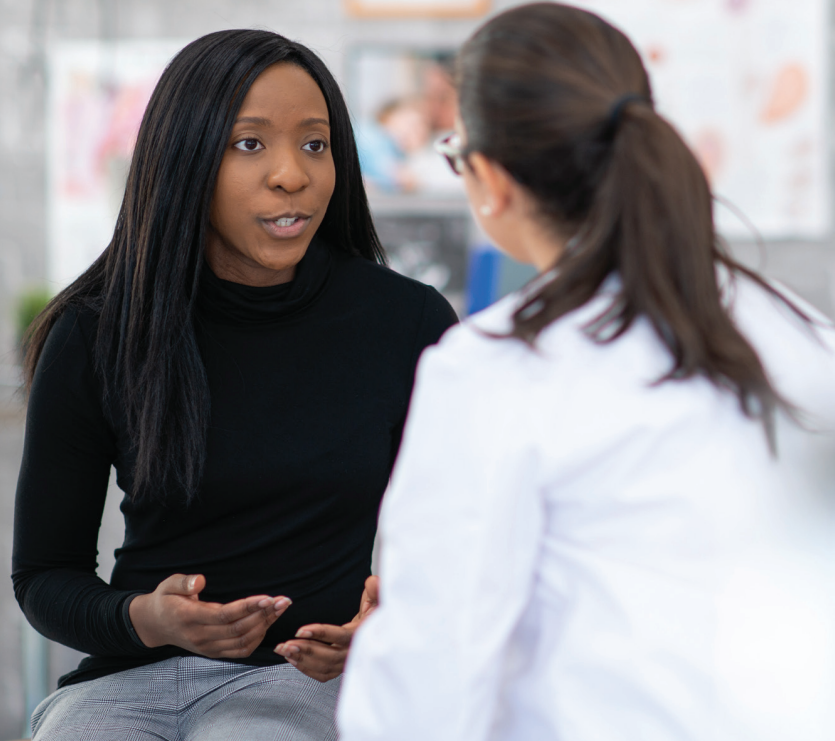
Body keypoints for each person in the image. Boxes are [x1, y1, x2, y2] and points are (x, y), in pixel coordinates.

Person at [338, 4, 835, 741]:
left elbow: (424, 690)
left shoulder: (496, 367)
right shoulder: (803, 332)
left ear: (490, 181)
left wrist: (389, 635)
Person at [13, 29, 457, 741]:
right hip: (127, 679)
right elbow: (44, 575)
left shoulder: (407, 323)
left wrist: (384, 628)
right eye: (249, 144)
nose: (292, 174)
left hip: (302, 683)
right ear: (185, 158)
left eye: (315, 144)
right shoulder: (97, 330)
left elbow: (460, 545)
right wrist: (145, 617)